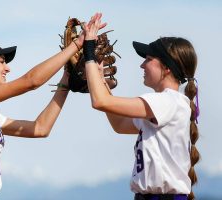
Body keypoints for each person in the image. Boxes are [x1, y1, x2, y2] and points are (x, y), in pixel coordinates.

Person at [0, 13, 106, 200]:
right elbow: (30, 82)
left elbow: (40, 128)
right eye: (1, 61)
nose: (7, 68)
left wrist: (65, 80)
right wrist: (77, 44)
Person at [83, 13, 200, 200]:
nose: (142, 65)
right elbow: (120, 125)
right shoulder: (164, 104)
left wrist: (88, 50)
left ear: (167, 67)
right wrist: (99, 79)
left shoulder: (167, 102)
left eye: (148, 59)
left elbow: (100, 102)